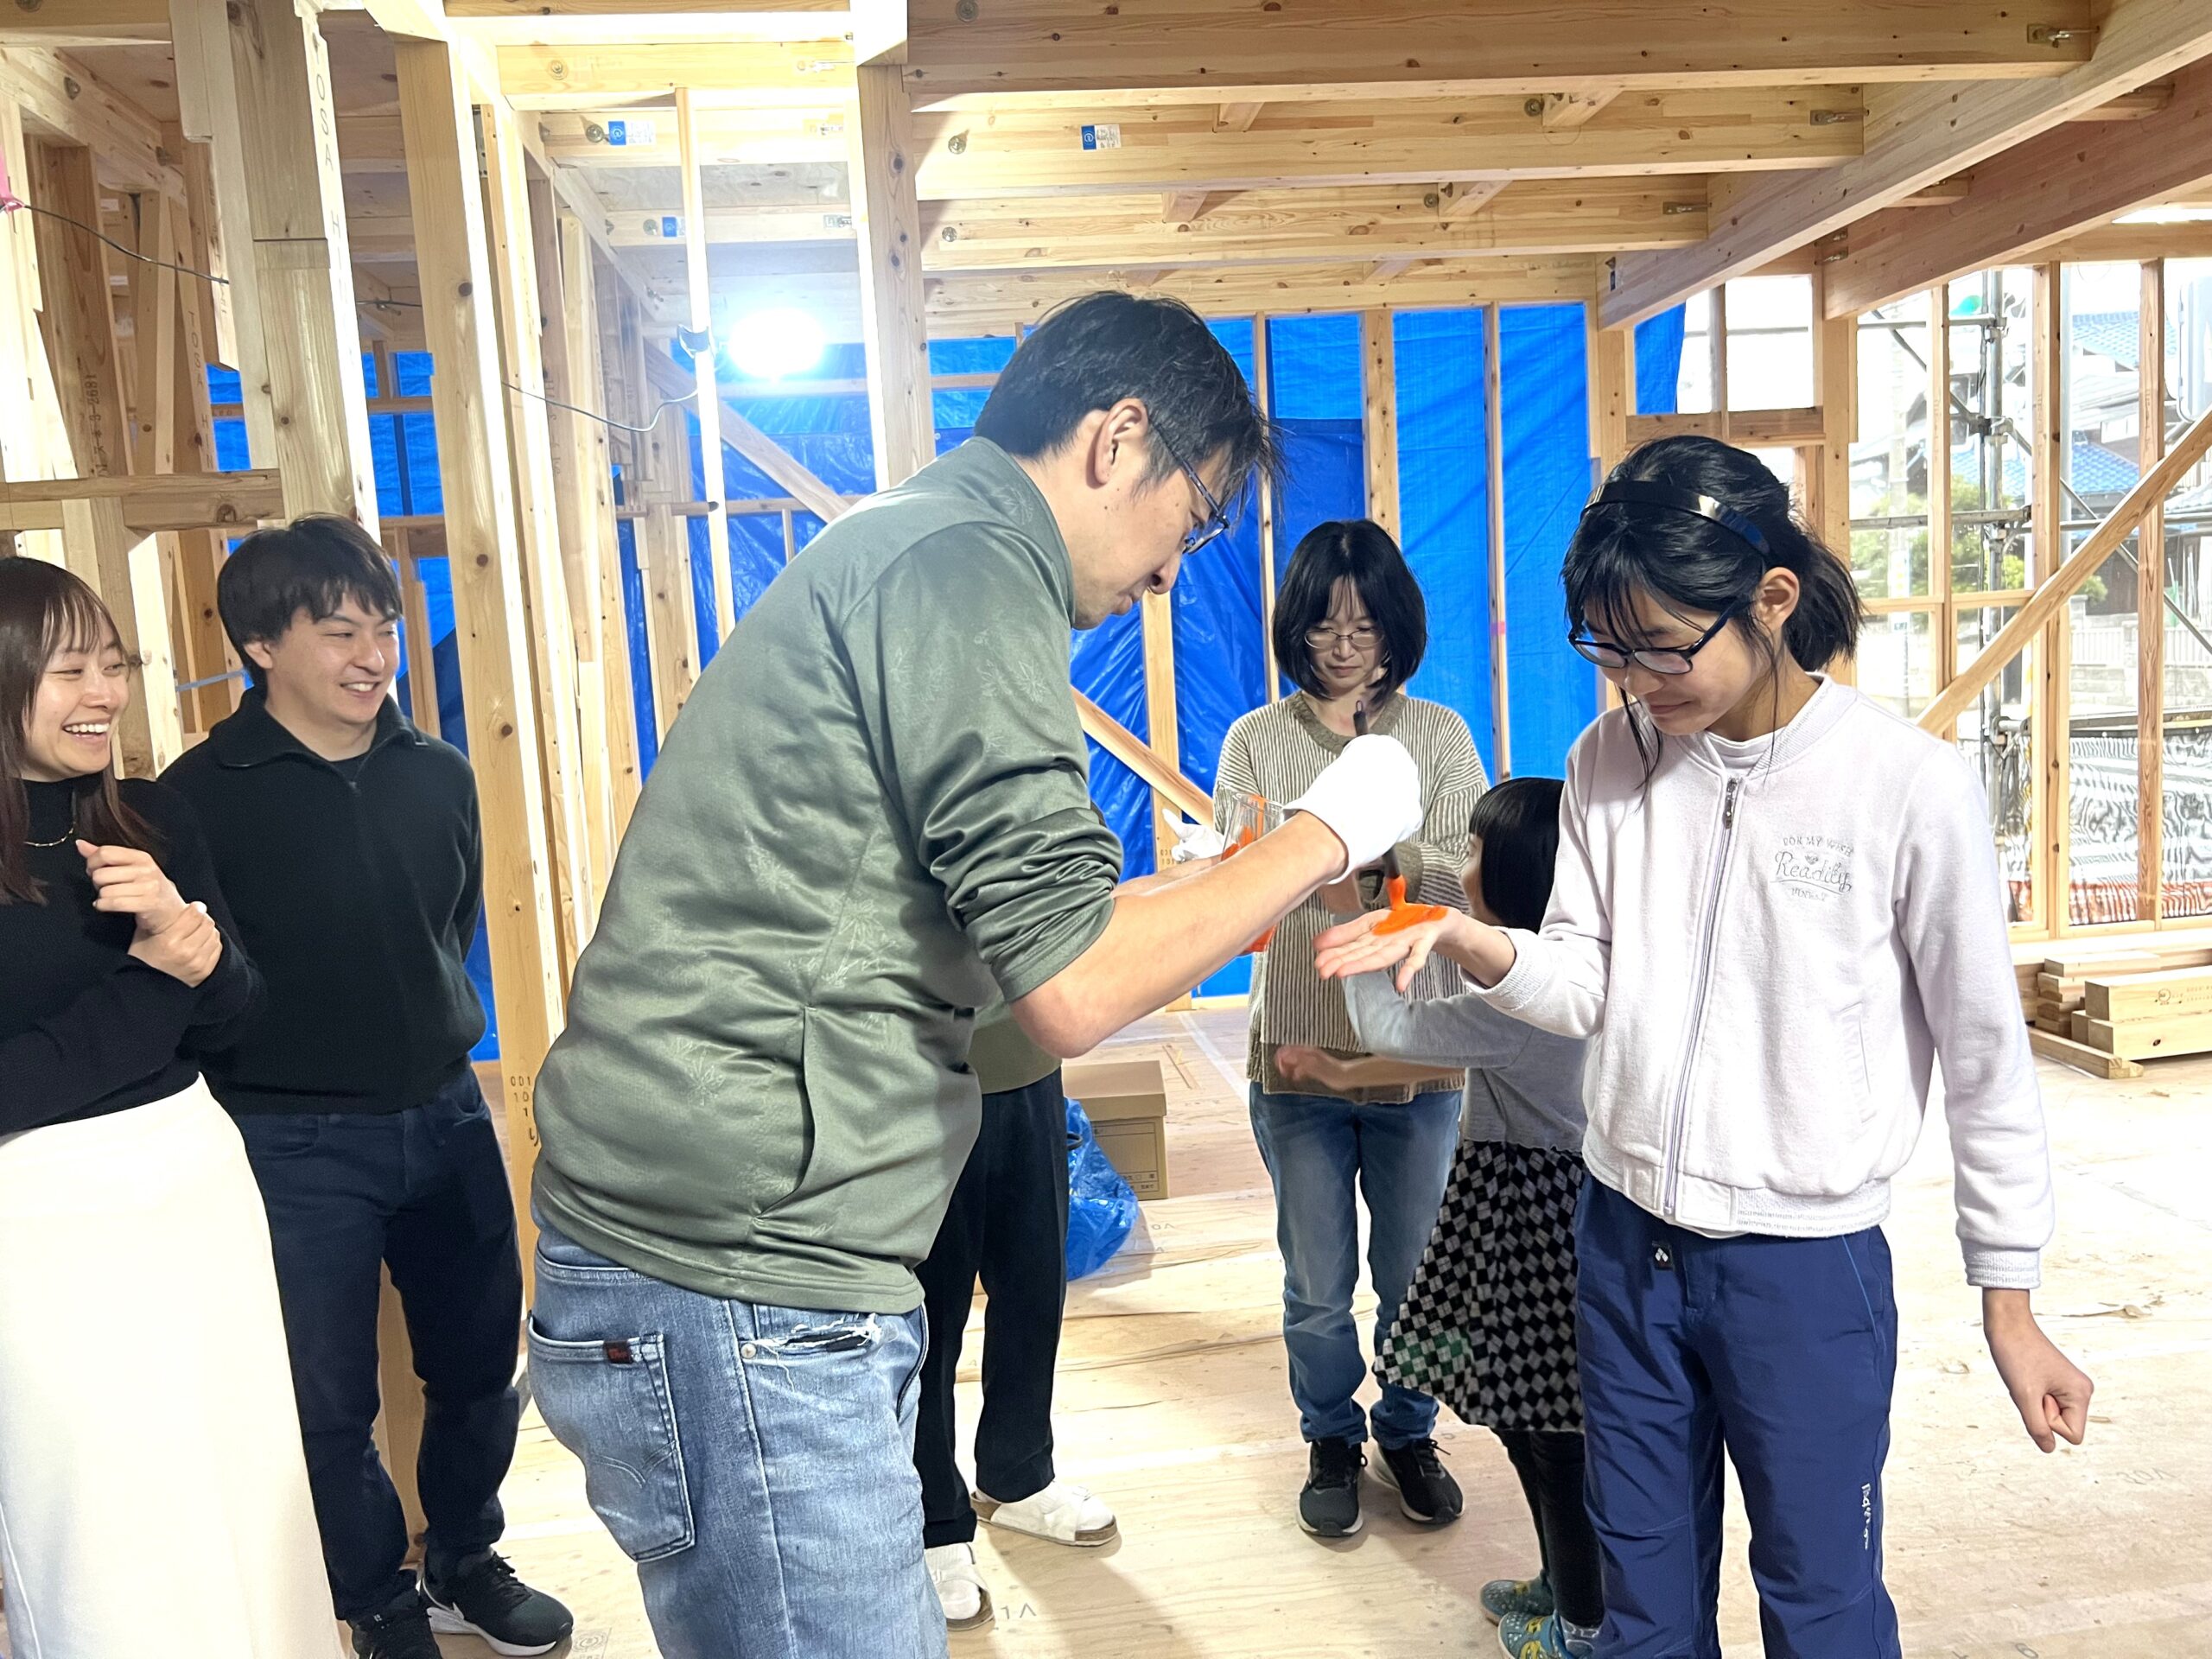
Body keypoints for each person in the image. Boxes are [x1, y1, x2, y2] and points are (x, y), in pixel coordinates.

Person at [525, 291, 1427, 1659]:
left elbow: (997, 935)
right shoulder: (969, 571)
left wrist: (1208, 890)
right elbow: (1071, 989)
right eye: (1192, 522)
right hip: (740, 1275)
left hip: (739, 1256)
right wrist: (1325, 834)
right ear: (1117, 440)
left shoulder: (921, 544)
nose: (1173, 574)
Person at [1316, 436, 2094, 1659]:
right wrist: (1476, 942)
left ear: (1771, 598)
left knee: (1820, 1600)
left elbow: (1985, 1057)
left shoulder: (1905, 788)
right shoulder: (1608, 761)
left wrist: (2010, 1296)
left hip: (1805, 1266)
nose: (1634, 684)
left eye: (1661, 648)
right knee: (1641, 1605)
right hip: (1623, 1246)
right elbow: (1585, 984)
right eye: (1607, 650)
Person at [162, 518, 571, 1659]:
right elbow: (205, 986)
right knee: (327, 1402)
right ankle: (376, 1600)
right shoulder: (196, 799)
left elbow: (448, 926)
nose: (374, 654)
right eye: (340, 631)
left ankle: (464, 1559)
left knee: (481, 1367)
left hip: (447, 1112)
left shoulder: (437, 774)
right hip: (289, 1140)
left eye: (384, 627)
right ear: (260, 647)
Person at [0, 557, 338, 1656]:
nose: (104, 693)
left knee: (242, 1481)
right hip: (41, 1216)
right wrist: (157, 979)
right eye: (69, 670)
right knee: (100, 1509)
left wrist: (194, 952)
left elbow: (236, 1016)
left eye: (116, 665)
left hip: (193, 1179)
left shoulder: (152, 818)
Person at [1282, 776, 1602, 1659]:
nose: (1458, 871)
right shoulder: (1555, 967)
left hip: (1532, 1225)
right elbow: (1452, 1047)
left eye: (1473, 852)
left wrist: (1344, 906)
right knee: (1528, 1422)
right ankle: (1563, 1587)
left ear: (1519, 873)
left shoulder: (1523, 996)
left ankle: (1584, 1627)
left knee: (1552, 1436)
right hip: (1525, 1211)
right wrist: (1345, 1075)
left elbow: (1398, 1026)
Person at [1214, 518, 1488, 1539]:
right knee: (1316, 1284)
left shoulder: (1439, 735)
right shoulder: (1255, 739)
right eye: (1323, 625)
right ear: (1294, 627)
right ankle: (1329, 1434)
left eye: (1364, 626)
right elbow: (1243, 881)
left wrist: (1355, 862)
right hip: (1296, 1055)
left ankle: (1409, 1431)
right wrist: (1312, 863)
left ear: (1395, 628)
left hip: (1418, 1061)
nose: (1341, 646)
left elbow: (1467, 875)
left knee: (1417, 1276)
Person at [914, 1003, 1110, 1632]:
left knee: (1033, 1282)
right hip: (915, 1075)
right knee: (928, 1313)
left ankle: (1017, 1474)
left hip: (1030, 1063)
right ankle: (932, 1519)